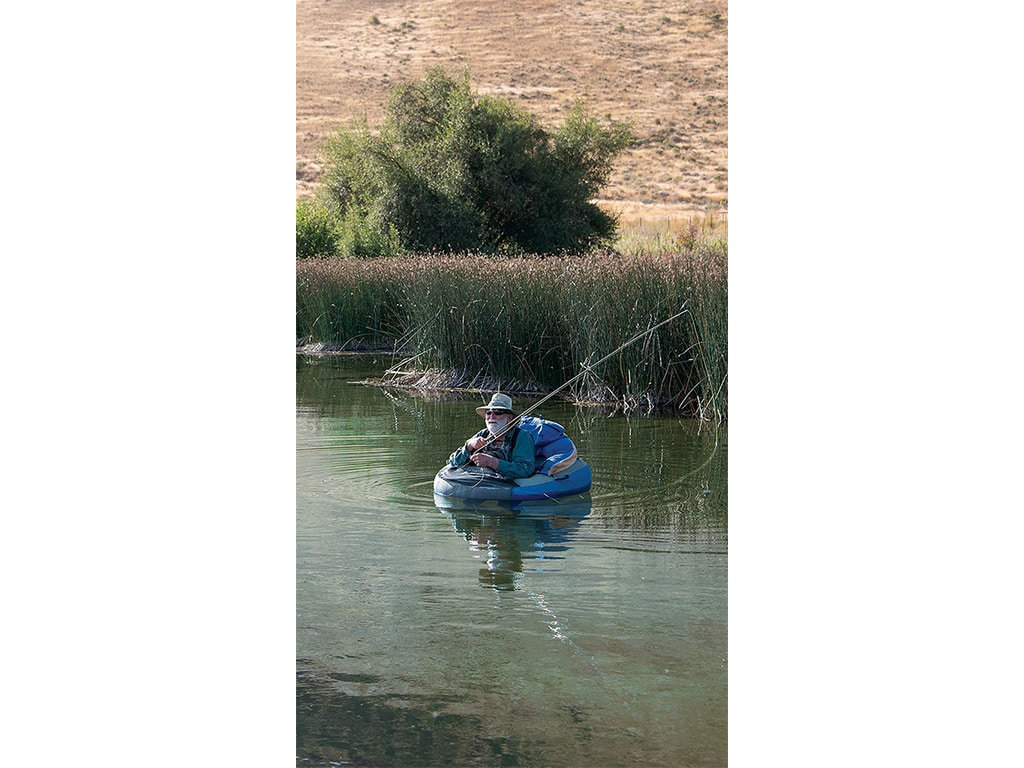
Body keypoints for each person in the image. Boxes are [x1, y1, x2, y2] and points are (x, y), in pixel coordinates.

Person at [447, 393, 535, 479]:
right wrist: (469, 446)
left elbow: (526, 469)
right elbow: (453, 462)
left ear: (509, 418)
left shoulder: (522, 436)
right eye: (488, 413)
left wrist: (493, 462)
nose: (491, 416)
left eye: (498, 412)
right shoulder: (483, 434)